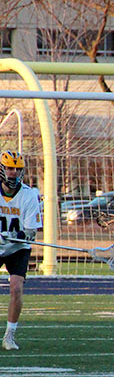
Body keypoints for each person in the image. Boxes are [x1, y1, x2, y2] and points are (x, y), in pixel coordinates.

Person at [0, 150, 43, 350]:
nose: (13, 173)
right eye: (9, 168)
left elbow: (31, 232)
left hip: (18, 248)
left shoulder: (29, 195)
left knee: (16, 287)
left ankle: (9, 336)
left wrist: (19, 235)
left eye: (17, 169)